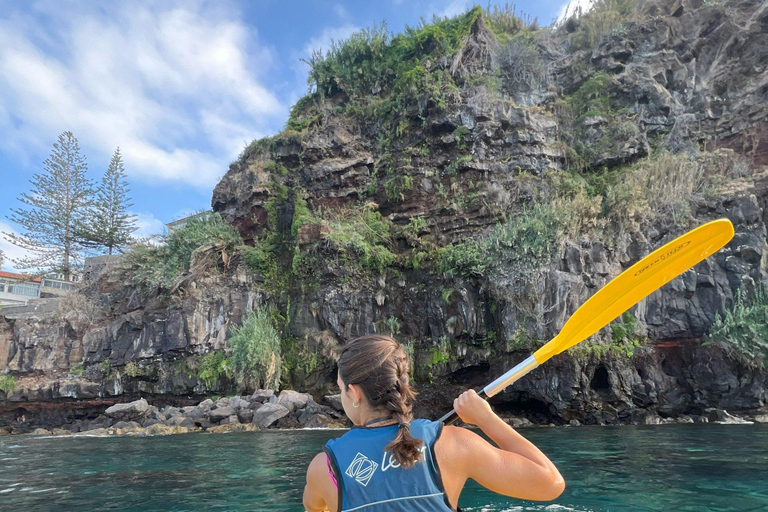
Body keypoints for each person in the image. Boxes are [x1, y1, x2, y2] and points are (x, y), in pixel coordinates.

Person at [303, 334, 565, 512]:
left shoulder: (324, 467)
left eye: (340, 389)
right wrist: (485, 418)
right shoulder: (451, 444)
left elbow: (314, 507)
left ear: (355, 393)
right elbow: (551, 484)